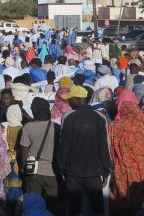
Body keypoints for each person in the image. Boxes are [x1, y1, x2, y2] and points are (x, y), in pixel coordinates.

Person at [58, 84, 111, 216]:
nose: (68, 101)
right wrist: (106, 170)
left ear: (78, 99)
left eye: (70, 98)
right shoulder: (100, 117)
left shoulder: (68, 117)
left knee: (74, 208)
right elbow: (103, 147)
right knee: (97, 207)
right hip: (94, 171)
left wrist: (61, 168)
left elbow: (64, 145)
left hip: (72, 171)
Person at [19, 97, 60, 214]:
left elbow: (24, 150)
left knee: (32, 204)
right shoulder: (56, 127)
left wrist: (23, 167)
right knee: (53, 205)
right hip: (52, 171)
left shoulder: (28, 127)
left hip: (33, 172)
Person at [108, 99, 144, 213]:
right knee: (137, 196)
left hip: (120, 168)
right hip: (139, 170)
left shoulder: (113, 126)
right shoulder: (141, 128)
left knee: (121, 196)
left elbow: (109, 148)